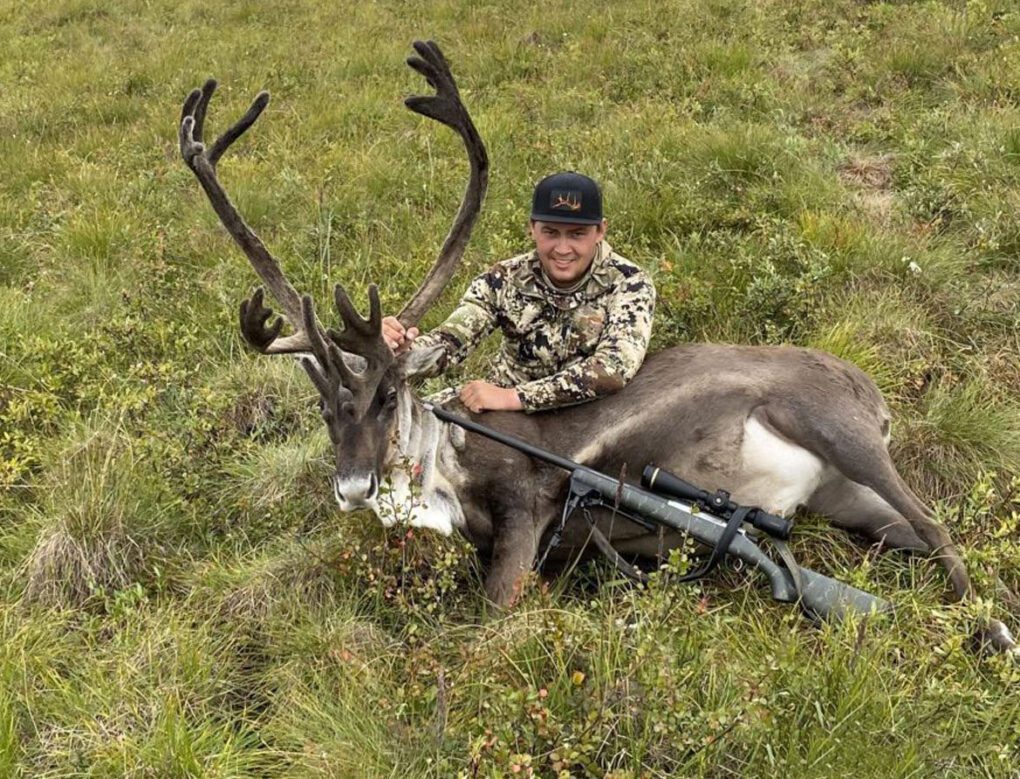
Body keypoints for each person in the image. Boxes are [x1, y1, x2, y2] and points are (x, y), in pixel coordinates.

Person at [383, 172, 656, 414]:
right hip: (501, 411)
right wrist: (399, 350)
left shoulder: (630, 284)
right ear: (531, 228)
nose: (562, 249)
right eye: (550, 232)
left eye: (577, 234)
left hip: (586, 418)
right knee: (405, 426)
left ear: (600, 231)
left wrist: (515, 398)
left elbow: (612, 370)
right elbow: (452, 340)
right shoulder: (503, 279)